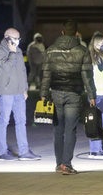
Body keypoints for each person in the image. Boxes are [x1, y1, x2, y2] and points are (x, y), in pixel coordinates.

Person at [40, 19, 96, 175]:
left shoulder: (50, 50)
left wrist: (43, 94)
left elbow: (46, 75)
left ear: (62, 32)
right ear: (76, 33)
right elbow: (87, 76)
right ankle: (66, 164)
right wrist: (92, 95)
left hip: (56, 93)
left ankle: (59, 164)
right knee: (70, 130)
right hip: (74, 94)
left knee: (58, 130)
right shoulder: (82, 51)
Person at [0, 27, 41, 161]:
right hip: (6, 91)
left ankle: (24, 151)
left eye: (19, 38)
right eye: (15, 38)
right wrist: (12, 53)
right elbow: (7, 68)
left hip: (19, 92)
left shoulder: (19, 50)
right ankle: (2, 152)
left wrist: (25, 89)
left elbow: (22, 71)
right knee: (4, 121)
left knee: (21, 121)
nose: (18, 41)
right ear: (7, 38)